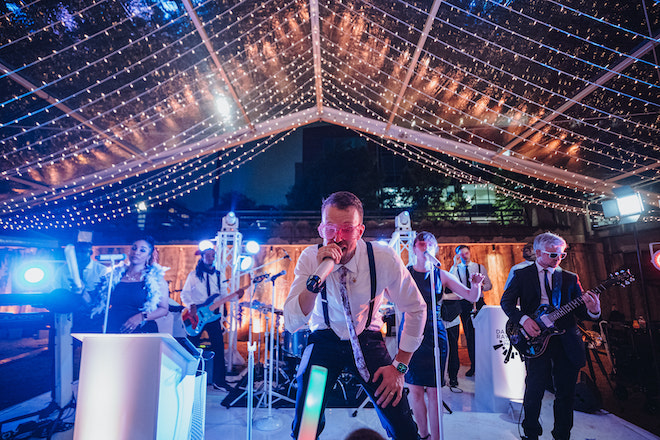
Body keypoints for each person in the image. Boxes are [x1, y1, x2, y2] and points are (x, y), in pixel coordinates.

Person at [284, 191, 427, 439]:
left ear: (360, 231)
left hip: (367, 339)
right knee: (306, 426)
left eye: (347, 229)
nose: (338, 237)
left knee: (401, 423)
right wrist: (316, 278)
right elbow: (293, 321)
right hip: (324, 343)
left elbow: (416, 308)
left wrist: (400, 367)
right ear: (321, 229)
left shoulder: (382, 258)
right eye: (330, 228)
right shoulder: (309, 258)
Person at [500, 232, 601, 440]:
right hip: (536, 339)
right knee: (534, 389)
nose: (558, 259)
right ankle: (531, 433)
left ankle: (562, 435)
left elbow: (581, 312)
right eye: (553, 255)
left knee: (566, 393)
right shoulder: (522, 275)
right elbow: (507, 303)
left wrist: (594, 310)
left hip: (566, 340)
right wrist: (523, 320)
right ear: (538, 253)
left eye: (562, 255)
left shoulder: (570, 278)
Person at [405, 232, 484, 440]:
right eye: (422, 244)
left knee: (434, 390)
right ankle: (423, 434)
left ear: (435, 249)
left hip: (433, 330)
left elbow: (470, 296)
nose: (426, 247)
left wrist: (476, 285)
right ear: (414, 248)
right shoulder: (405, 273)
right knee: (414, 389)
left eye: (430, 244)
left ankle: (437, 438)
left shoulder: (440, 274)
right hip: (411, 330)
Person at [181, 247, 243, 392]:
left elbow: (223, 295)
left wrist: (236, 297)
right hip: (197, 315)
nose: (210, 257)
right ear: (202, 257)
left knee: (219, 347)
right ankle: (189, 379)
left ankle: (219, 381)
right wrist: (191, 306)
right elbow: (185, 294)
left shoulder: (219, 275)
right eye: (207, 255)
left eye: (212, 255)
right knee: (192, 347)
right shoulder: (193, 275)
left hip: (213, 316)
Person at [90, 236, 169, 333]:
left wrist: (140, 317)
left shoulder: (156, 279)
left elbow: (163, 309)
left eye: (142, 250)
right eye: (134, 248)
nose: (136, 252)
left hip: (141, 331)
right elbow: (98, 302)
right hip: (114, 329)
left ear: (149, 256)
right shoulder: (114, 276)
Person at [446, 245, 492, 378]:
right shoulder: (455, 269)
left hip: (479, 303)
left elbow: (489, 285)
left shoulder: (479, 267)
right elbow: (451, 282)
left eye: (466, 253)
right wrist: (454, 265)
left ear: (469, 253)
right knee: (469, 335)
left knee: (483, 335)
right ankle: (474, 365)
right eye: (462, 254)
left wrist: (481, 287)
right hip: (463, 304)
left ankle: (486, 365)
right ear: (458, 255)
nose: (465, 256)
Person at [57, 241, 108, 331]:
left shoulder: (101, 270)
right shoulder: (62, 270)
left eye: (83, 252)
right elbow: (56, 289)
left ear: (90, 253)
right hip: (68, 314)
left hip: (91, 316)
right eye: (77, 252)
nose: (79, 254)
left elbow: (103, 296)